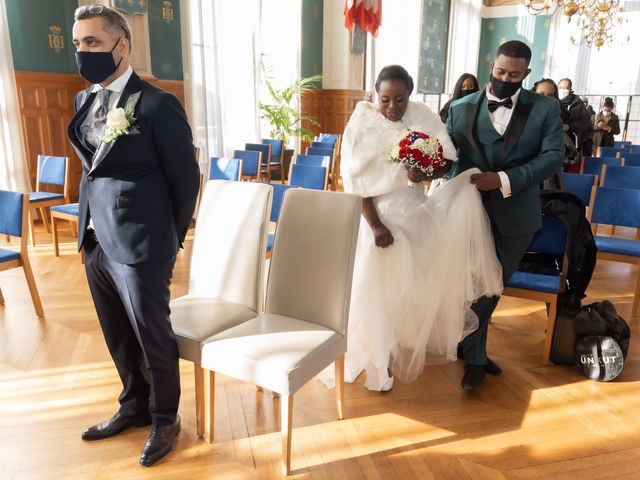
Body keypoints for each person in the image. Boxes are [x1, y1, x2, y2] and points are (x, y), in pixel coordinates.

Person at [67, 5, 200, 467]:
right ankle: (135, 405)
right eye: (78, 44)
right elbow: (91, 169)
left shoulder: (159, 105)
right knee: (118, 334)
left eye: (92, 43)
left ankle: (166, 418)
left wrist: (168, 240)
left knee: (152, 335)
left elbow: (186, 181)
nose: (82, 53)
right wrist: (88, 227)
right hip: (95, 239)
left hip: (142, 244)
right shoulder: (85, 101)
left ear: (121, 47)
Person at [320, 65, 503, 392]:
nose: (392, 107)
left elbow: (447, 159)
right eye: (385, 99)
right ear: (376, 94)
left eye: (400, 99)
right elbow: (355, 184)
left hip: (417, 214)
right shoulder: (361, 123)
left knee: (412, 293)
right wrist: (376, 226)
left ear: (410, 95)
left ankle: (400, 344)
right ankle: (381, 363)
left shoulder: (424, 117)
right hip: (379, 221)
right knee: (378, 294)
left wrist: (426, 172)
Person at [446, 41, 563, 389]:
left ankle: (468, 347)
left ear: (526, 74)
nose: (504, 79)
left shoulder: (546, 109)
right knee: (470, 284)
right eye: (500, 72)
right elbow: (451, 159)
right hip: (467, 212)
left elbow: (552, 157)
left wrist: (503, 179)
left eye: (514, 75)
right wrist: (425, 168)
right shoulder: (461, 107)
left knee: (492, 286)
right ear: (491, 66)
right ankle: (476, 358)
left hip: (518, 216)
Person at [532, 78, 575, 180]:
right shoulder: (522, 118)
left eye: (550, 95)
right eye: (541, 94)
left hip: (549, 177)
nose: (545, 98)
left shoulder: (560, 119)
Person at [558, 78, 594, 157]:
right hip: (555, 140)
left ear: (570, 89)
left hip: (573, 141)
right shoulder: (553, 101)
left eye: (566, 88)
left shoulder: (577, 103)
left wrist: (569, 126)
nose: (563, 90)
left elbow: (586, 123)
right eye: (560, 88)